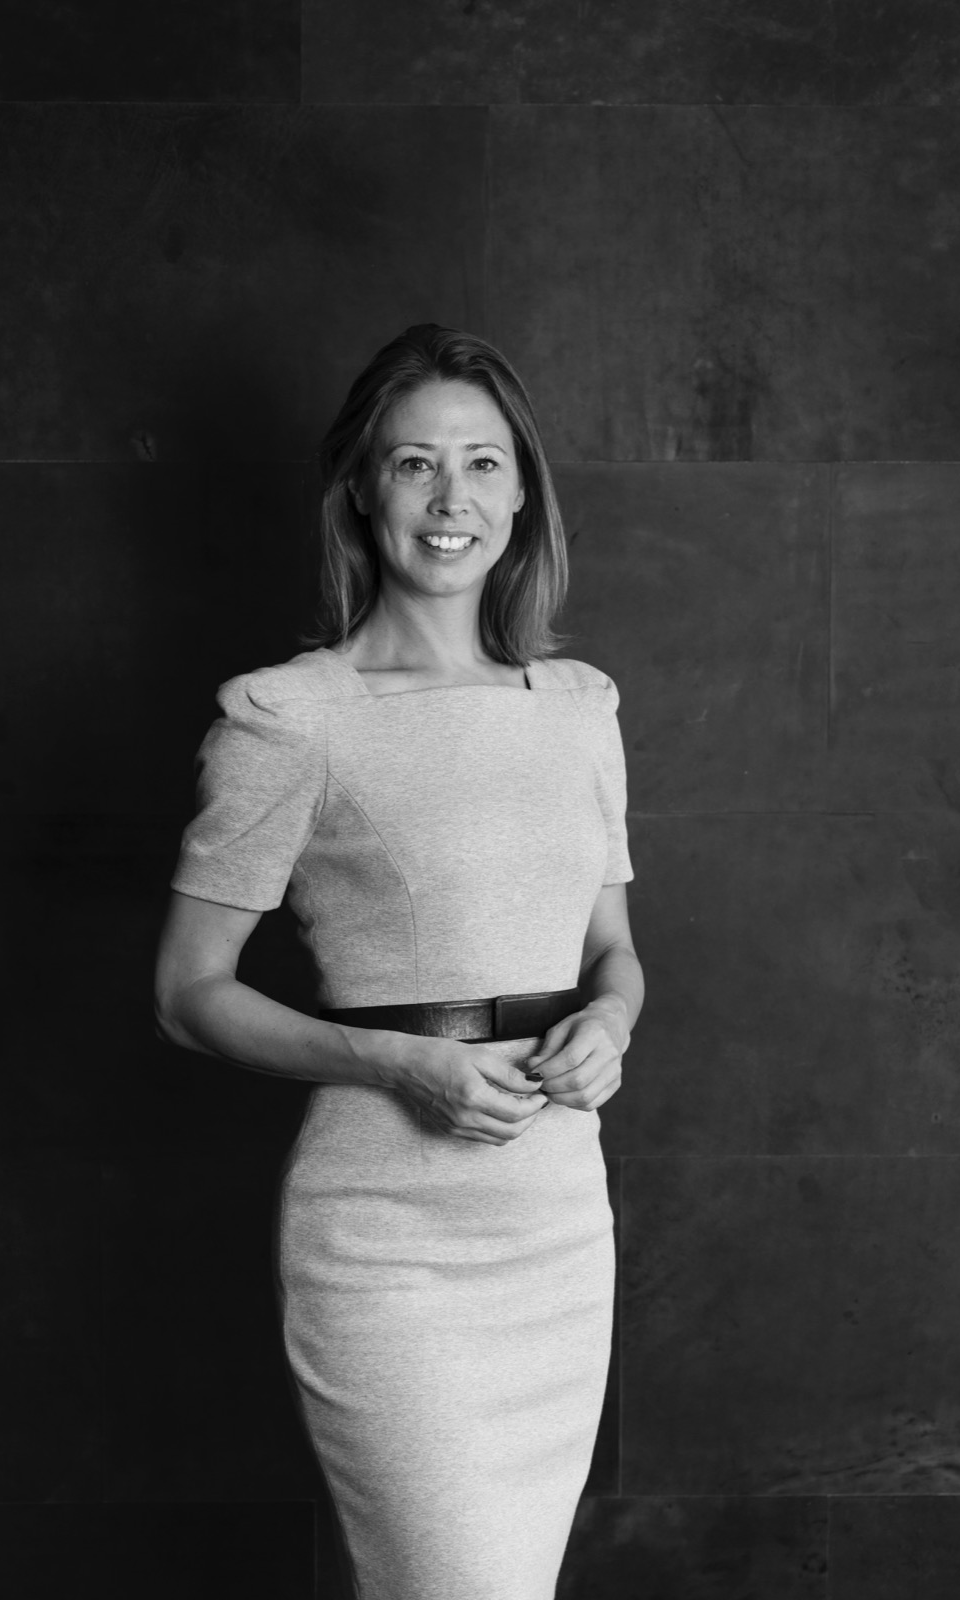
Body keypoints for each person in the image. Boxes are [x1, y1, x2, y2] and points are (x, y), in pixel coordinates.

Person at [154, 323, 644, 1600]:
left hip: (554, 1221)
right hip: (388, 1237)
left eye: (481, 464)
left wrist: (611, 1022)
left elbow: (612, 950)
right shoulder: (289, 717)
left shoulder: (579, 709)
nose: (448, 499)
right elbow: (187, 994)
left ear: (522, 494)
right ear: (362, 489)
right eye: (414, 463)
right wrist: (392, 1062)